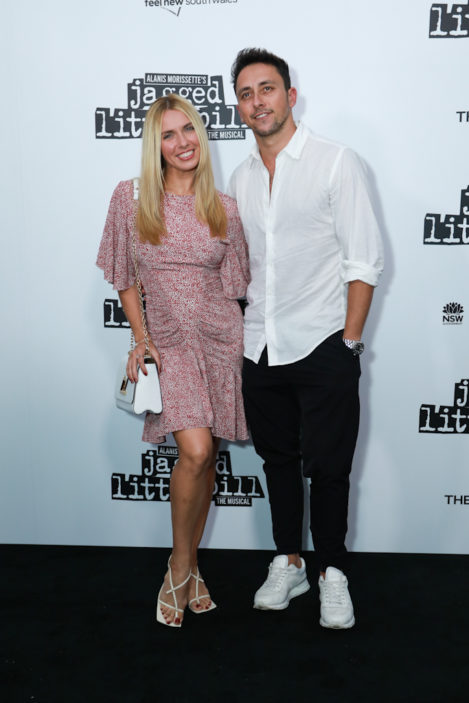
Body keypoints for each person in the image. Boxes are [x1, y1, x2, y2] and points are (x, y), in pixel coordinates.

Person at [228, 48, 384, 628]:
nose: (258, 102)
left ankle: (332, 571)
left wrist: (349, 344)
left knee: (330, 467)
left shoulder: (336, 161)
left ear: (290, 96)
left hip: (323, 341)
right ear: (239, 107)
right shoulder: (240, 178)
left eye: (267, 88)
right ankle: (289, 561)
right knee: (278, 462)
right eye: (246, 94)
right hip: (260, 345)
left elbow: (364, 260)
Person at [97, 94, 249, 628]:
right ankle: (180, 565)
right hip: (168, 343)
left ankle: (191, 567)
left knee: (207, 459)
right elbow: (123, 276)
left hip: (220, 340)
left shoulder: (225, 207)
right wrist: (140, 339)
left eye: (189, 130)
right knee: (197, 449)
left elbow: (237, 285)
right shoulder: (132, 197)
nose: (182, 142)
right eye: (168, 134)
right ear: (154, 145)